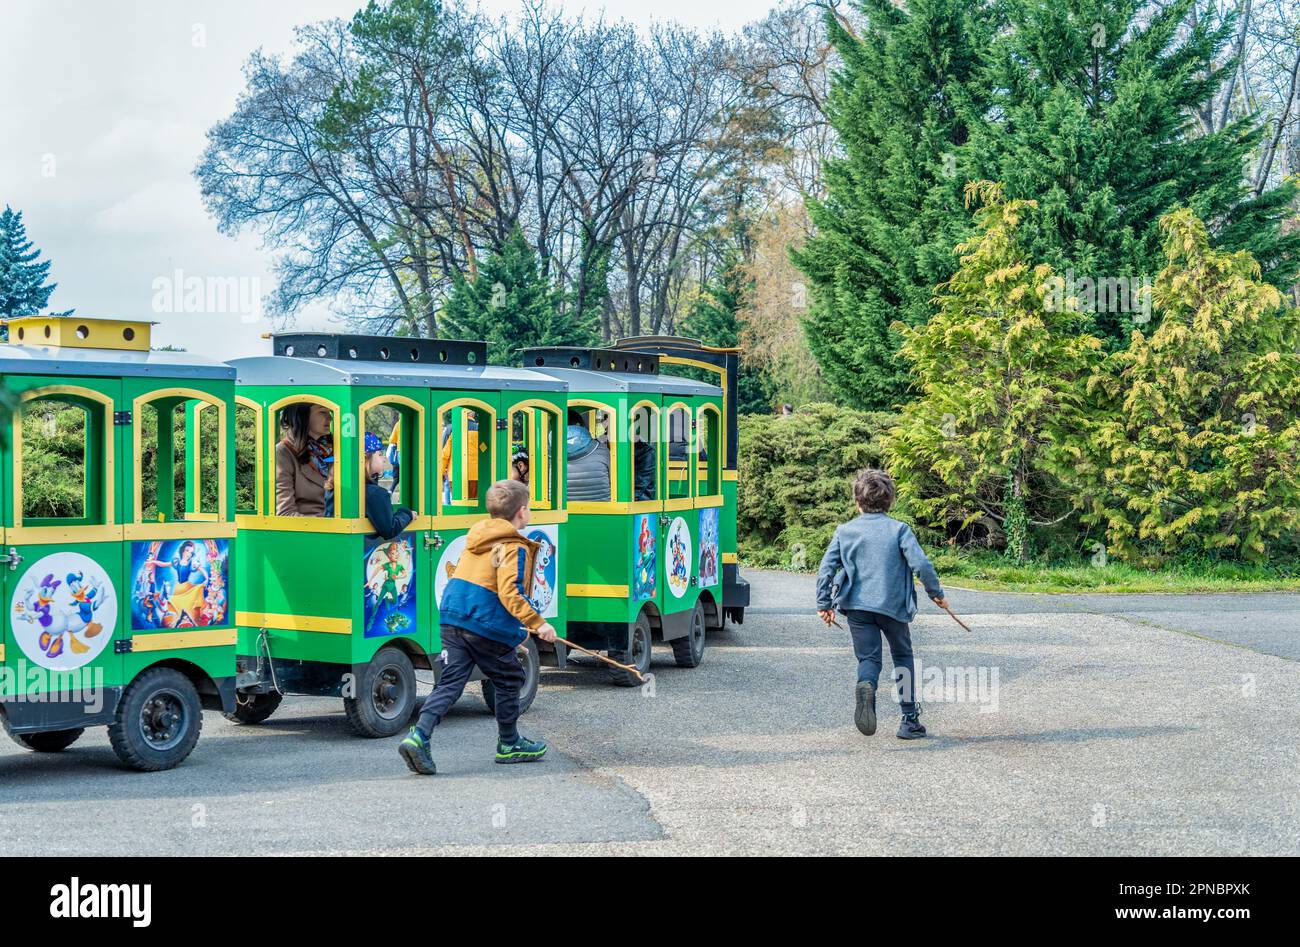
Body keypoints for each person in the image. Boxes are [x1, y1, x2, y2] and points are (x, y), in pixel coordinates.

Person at [399, 479, 558, 775]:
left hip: (453, 616)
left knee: (450, 683)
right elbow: (510, 592)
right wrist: (539, 624)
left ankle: (419, 736)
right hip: (483, 622)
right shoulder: (513, 547)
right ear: (522, 512)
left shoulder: (478, 538)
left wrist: (513, 633)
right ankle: (509, 743)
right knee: (511, 677)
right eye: (530, 507)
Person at [814, 468, 948, 740]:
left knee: (868, 658)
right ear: (890, 500)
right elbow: (921, 564)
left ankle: (866, 685)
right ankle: (909, 720)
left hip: (857, 608)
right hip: (893, 607)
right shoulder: (899, 530)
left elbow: (826, 569)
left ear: (857, 501)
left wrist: (824, 604)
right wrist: (936, 593)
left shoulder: (845, 531)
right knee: (902, 656)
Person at [275, 403, 334, 517]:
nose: (330, 418)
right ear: (302, 415)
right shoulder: (283, 453)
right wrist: (329, 524)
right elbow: (285, 513)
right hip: (309, 530)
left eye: (330, 412)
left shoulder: (333, 449)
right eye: (322, 412)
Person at [362, 431, 413, 540]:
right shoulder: (376, 494)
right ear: (365, 459)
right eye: (380, 454)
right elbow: (389, 529)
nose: (384, 459)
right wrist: (408, 514)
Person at [565, 409, 611, 502]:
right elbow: (614, 480)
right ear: (579, 425)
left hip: (559, 511)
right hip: (602, 508)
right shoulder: (602, 450)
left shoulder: (546, 453)